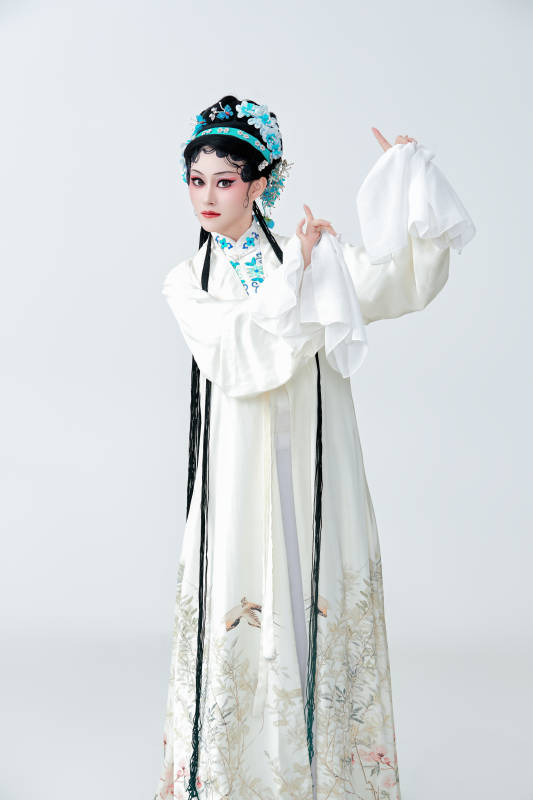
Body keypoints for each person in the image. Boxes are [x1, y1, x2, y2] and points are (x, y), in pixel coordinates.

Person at [154, 94, 476, 800]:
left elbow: (394, 284)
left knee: (313, 588)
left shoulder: (313, 253)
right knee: (245, 591)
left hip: (312, 460)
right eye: (196, 180)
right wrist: (295, 274)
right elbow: (239, 351)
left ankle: (323, 777)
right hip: (238, 470)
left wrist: (406, 183)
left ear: (259, 183)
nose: (206, 196)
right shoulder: (188, 283)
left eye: (224, 180)